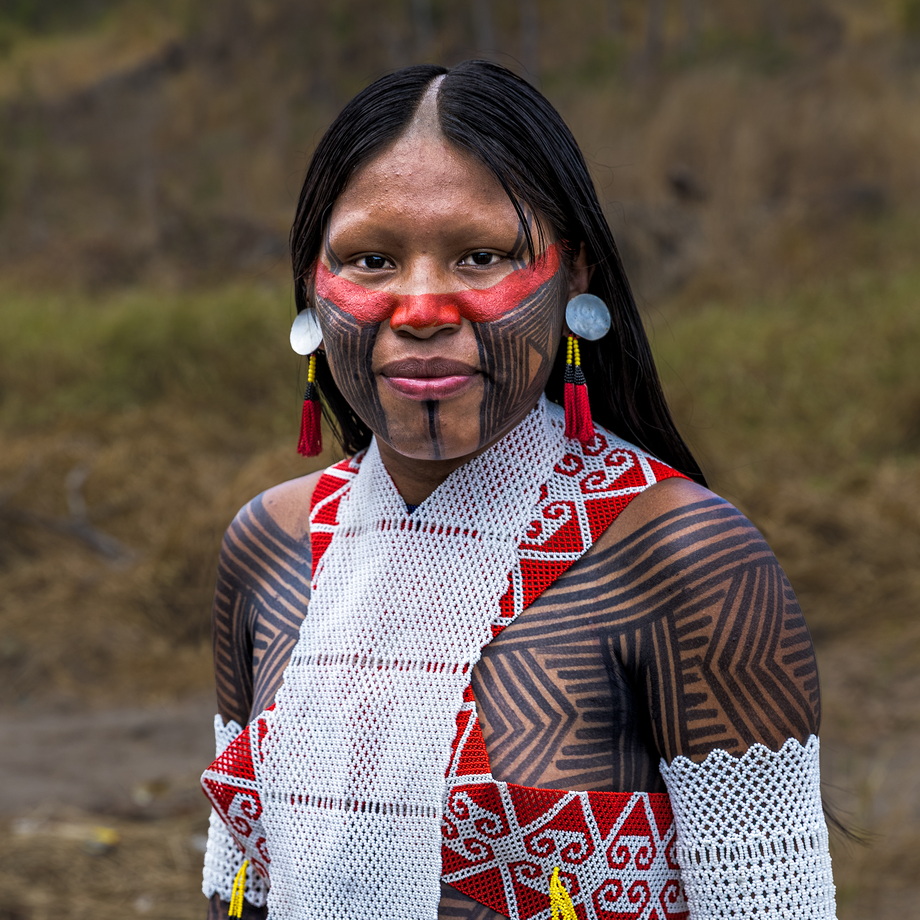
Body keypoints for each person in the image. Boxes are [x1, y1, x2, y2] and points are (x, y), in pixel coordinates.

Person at [200, 61, 837, 920]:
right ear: (313, 287)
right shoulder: (266, 544)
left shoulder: (687, 561)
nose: (421, 306)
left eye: (481, 255)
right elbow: (235, 889)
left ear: (574, 275)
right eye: (372, 259)